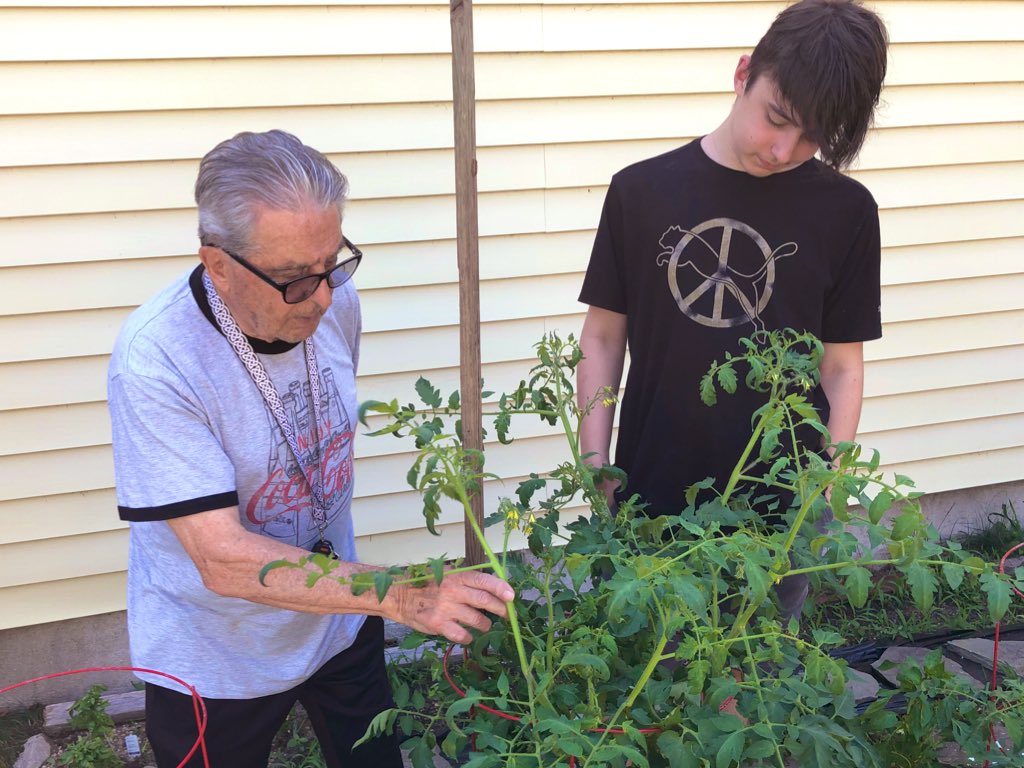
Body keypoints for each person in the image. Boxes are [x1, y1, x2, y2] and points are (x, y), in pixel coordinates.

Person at [107, 130, 514, 767]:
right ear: (219, 265)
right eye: (296, 278)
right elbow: (223, 561)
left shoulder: (332, 302)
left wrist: (371, 597)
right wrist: (401, 594)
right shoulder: (156, 361)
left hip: (340, 616)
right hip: (219, 651)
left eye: (333, 263)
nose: (324, 297)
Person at [577, 0, 888, 612]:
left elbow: (841, 366)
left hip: (780, 504)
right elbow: (604, 337)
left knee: (759, 677)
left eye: (813, 138)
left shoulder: (847, 212)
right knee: (651, 679)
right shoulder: (640, 191)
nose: (783, 151)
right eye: (777, 119)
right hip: (654, 491)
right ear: (743, 73)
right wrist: (596, 464)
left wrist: (825, 489)